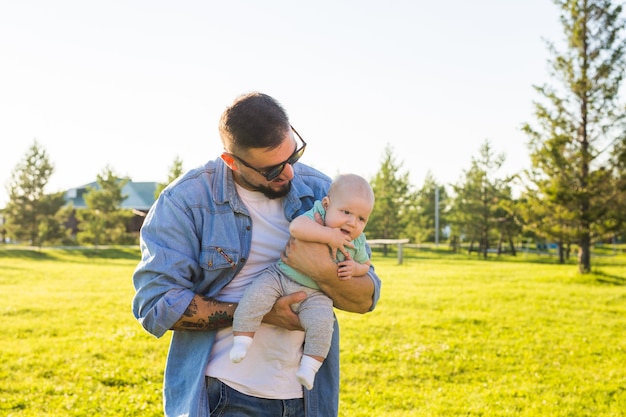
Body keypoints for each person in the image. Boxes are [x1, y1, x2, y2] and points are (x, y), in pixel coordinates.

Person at [131, 91, 381, 417]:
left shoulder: (324, 193)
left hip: (308, 398)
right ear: (232, 162)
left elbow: (366, 299)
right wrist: (260, 312)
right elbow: (155, 306)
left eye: (293, 156)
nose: (290, 173)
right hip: (225, 394)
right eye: (273, 169)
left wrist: (319, 271)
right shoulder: (186, 201)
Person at [230, 173, 375, 390]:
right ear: (327, 205)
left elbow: (365, 264)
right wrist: (328, 236)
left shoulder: (357, 241)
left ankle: (309, 366)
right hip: (282, 276)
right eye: (346, 212)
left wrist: (355, 268)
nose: (352, 222)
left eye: (361, 219)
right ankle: (242, 339)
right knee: (256, 295)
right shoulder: (317, 214)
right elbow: (296, 228)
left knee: (323, 325)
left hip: (315, 294)